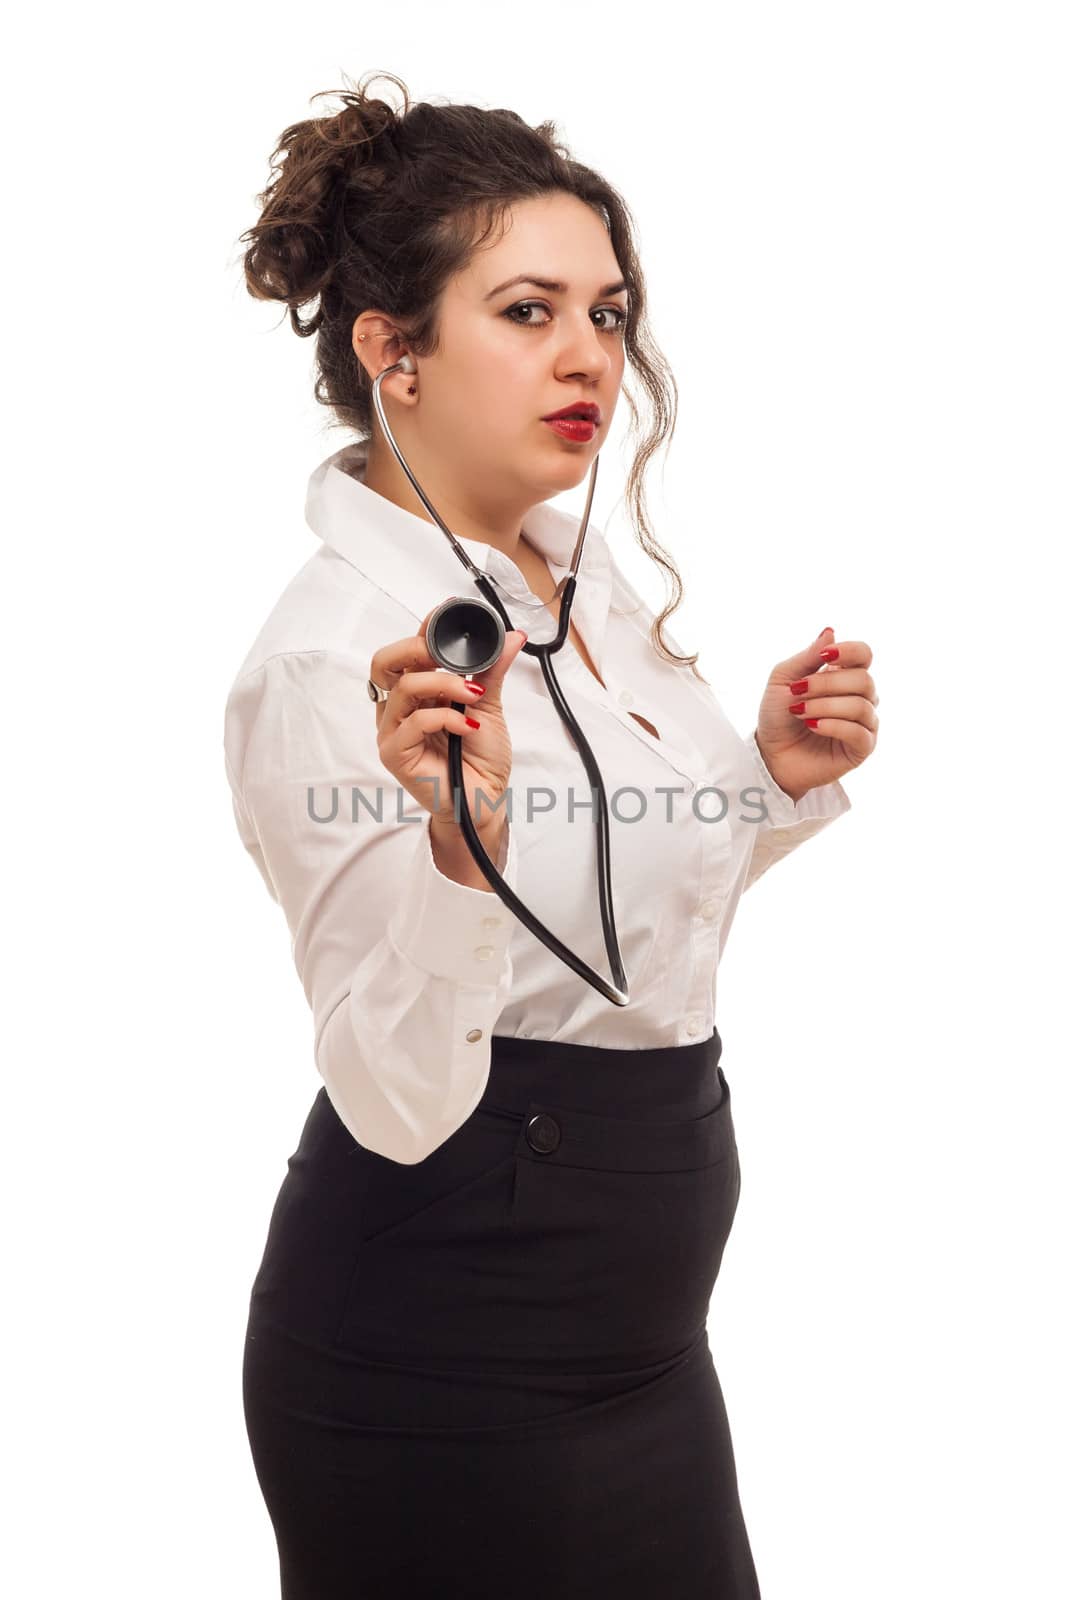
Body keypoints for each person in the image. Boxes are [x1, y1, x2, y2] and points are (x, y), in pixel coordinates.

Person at [223, 71, 879, 1600]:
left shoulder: (573, 584)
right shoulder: (331, 662)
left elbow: (603, 933)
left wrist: (764, 783)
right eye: (528, 311)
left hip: (642, 1339)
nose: (591, 354)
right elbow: (393, 1094)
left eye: (607, 308)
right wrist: (459, 860)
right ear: (394, 350)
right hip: (441, 1351)